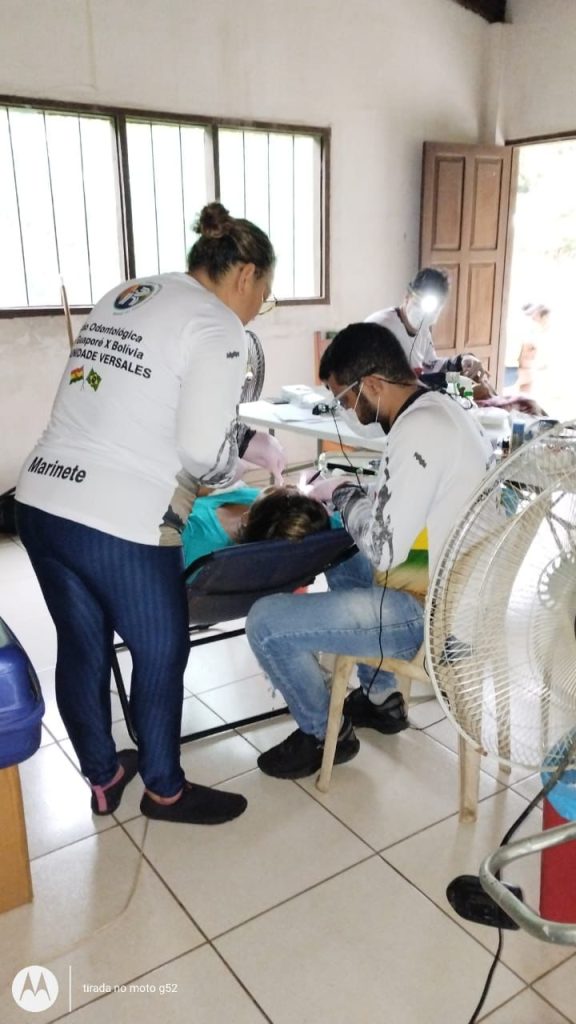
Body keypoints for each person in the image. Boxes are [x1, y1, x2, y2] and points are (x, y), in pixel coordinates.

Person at [16, 201, 283, 825]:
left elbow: (138, 399)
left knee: (81, 644)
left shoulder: (128, 293)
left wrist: (238, 439)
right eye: (264, 296)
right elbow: (199, 451)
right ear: (246, 275)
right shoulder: (219, 325)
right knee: (161, 649)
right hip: (118, 522)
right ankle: (165, 790)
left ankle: (103, 777)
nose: (256, 309)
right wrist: (235, 464)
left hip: (40, 498)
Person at [245, 322, 493, 780]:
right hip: (450, 588)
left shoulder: (418, 431)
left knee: (265, 622)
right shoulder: (440, 409)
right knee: (342, 551)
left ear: (373, 384)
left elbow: (383, 549)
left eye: (345, 398)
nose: (345, 410)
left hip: (430, 619)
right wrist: (354, 494)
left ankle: (324, 734)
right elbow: (406, 505)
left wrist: (340, 493)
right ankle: (381, 700)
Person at [365, 267, 484, 381]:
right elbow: (415, 382)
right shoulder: (379, 328)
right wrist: (456, 382)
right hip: (379, 393)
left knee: (473, 385)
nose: (424, 313)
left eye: (434, 309)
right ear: (407, 297)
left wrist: (462, 363)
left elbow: (432, 369)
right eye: (419, 303)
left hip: (413, 391)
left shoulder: (423, 333)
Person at [182, 484, 332, 567]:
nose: (287, 484)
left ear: (246, 518)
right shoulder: (259, 508)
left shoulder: (191, 538)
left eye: (283, 492)